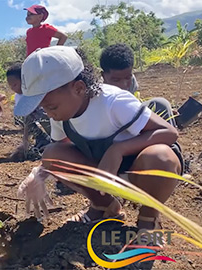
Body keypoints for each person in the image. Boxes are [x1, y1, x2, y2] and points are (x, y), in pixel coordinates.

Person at [16, 46, 183, 237]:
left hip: (143, 172)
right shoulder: (62, 115)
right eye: (44, 108)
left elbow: (169, 132)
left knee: (161, 156)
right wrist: (39, 174)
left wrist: (118, 150)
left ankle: (148, 217)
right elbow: (58, 153)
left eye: (51, 106)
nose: (49, 113)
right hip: (105, 173)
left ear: (79, 88)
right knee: (52, 154)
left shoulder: (113, 102)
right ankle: (104, 207)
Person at [100, 43, 177, 127]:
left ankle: (171, 137)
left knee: (161, 104)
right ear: (103, 76)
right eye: (116, 80)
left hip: (130, 116)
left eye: (127, 78)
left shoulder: (132, 81)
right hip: (110, 123)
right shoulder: (98, 91)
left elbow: (133, 104)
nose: (123, 85)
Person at [7, 62, 51, 160]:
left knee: (39, 112)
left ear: (23, 80)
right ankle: (42, 139)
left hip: (54, 121)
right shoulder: (19, 97)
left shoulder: (37, 90)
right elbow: (27, 120)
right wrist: (25, 141)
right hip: (39, 122)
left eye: (15, 84)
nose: (13, 89)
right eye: (11, 87)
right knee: (19, 116)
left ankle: (56, 140)